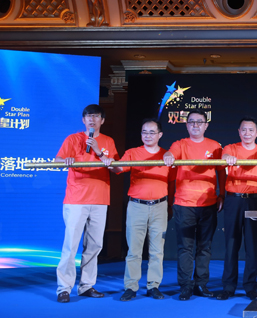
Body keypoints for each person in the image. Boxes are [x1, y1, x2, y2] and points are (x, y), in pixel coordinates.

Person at [55, 104, 118, 303]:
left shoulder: (108, 141)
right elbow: (57, 160)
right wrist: (65, 161)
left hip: (100, 199)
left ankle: (86, 286)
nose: (92, 119)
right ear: (83, 120)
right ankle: (64, 288)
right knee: (71, 245)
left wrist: (100, 152)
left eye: (96, 116)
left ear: (102, 120)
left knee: (94, 245)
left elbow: (116, 168)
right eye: (89, 116)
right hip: (76, 199)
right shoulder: (73, 139)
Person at [163, 109, 225, 301]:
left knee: (204, 247)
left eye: (199, 122)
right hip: (184, 204)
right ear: (187, 125)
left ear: (206, 125)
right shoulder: (179, 144)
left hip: (208, 203)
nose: (195, 125)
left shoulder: (215, 146)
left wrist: (221, 194)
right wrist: (168, 156)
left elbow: (221, 172)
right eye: (191, 122)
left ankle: (200, 284)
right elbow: (170, 153)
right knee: (185, 248)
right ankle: (185, 286)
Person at [116, 118, 174, 301]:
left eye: (152, 132)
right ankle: (131, 287)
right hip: (137, 206)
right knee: (134, 250)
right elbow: (118, 169)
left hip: (160, 206)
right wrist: (108, 161)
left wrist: (170, 205)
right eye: (144, 132)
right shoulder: (132, 153)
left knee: (157, 250)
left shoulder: (167, 156)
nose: (147, 136)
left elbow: (172, 182)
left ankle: (153, 285)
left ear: (160, 135)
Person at [216, 117, 257, 301]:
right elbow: (224, 157)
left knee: (252, 246)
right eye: (244, 130)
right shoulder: (230, 148)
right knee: (231, 245)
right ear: (239, 132)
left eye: (251, 130)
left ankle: (250, 286)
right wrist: (227, 159)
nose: (247, 133)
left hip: (255, 201)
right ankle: (228, 286)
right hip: (233, 201)